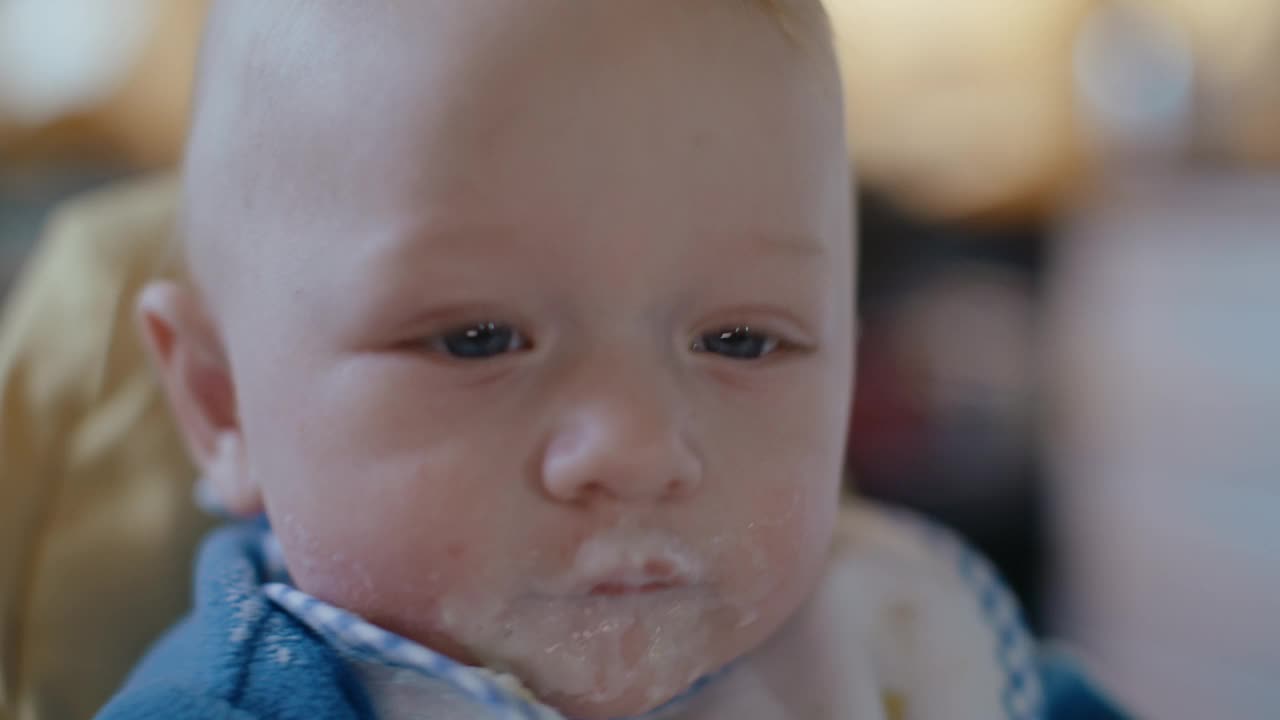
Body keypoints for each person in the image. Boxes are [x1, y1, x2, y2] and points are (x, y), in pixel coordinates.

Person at [97, 1, 1124, 718]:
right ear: (221, 402)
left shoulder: (896, 645)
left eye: (739, 340)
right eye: (476, 340)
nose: (635, 449)